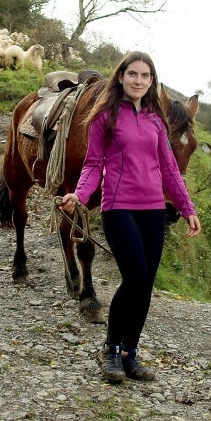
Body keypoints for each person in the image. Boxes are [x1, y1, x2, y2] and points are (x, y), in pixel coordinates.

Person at [59, 51, 202, 383]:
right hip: (118, 207)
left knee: (146, 286)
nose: (139, 80)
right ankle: (110, 350)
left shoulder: (155, 121)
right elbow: (94, 164)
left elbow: (169, 170)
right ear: (121, 76)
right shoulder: (104, 117)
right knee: (135, 278)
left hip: (153, 210)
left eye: (145, 76)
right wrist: (79, 195)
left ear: (151, 82)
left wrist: (187, 208)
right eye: (133, 74)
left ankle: (129, 353)